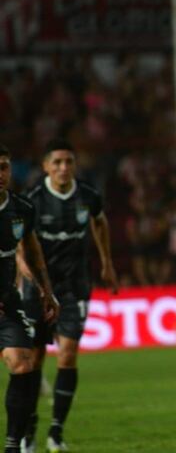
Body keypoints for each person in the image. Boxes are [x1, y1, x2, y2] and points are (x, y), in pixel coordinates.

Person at [19, 139, 118, 453]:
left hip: (75, 286)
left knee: (68, 354)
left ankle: (56, 433)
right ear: (46, 166)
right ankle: (29, 429)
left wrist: (107, 263)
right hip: (38, 288)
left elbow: (100, 224)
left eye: (69, 162)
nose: (64, 168)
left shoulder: (88, 196)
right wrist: (31, 281)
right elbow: (20, 247)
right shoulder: (32, 201)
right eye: (57, 162)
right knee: (33, 361)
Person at [0, 144, 58, 453]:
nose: (0, 174)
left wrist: (46, 291)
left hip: (8, 300)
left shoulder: (21, 208)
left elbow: (33, 253)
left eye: (4, 167)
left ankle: (12, 446)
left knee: (23, 365)